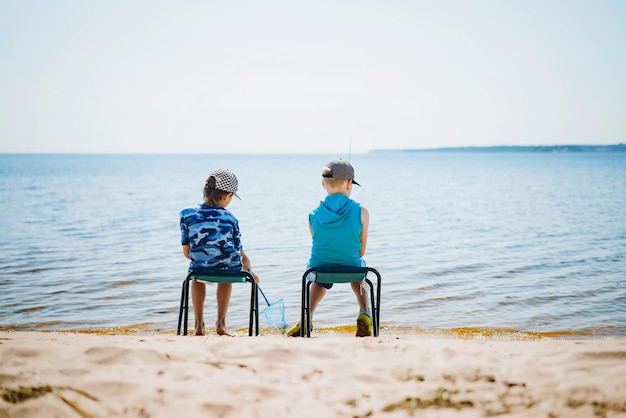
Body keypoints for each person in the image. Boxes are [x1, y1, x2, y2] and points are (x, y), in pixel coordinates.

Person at [288, 159, 372, 337]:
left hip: (320, 271)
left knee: (320, 274)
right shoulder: (362, 212)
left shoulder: (312, 215)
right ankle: (365, 312)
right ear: (349, 184)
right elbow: (361, 251)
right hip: (352, 269)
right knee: (359, 265)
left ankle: (307, 316)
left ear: (322, 184)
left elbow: (321, 244)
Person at [180, 168, 259, 336]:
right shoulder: (231, 219)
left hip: (199, 268)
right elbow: (238, 250)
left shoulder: (187, 214)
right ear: (227, 195)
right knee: (227, 272)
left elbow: (186, 252)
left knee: (196, 277)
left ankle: (199, 325)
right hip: (228, 270)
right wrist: (249, 269)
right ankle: (221, 325)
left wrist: (204, 258)